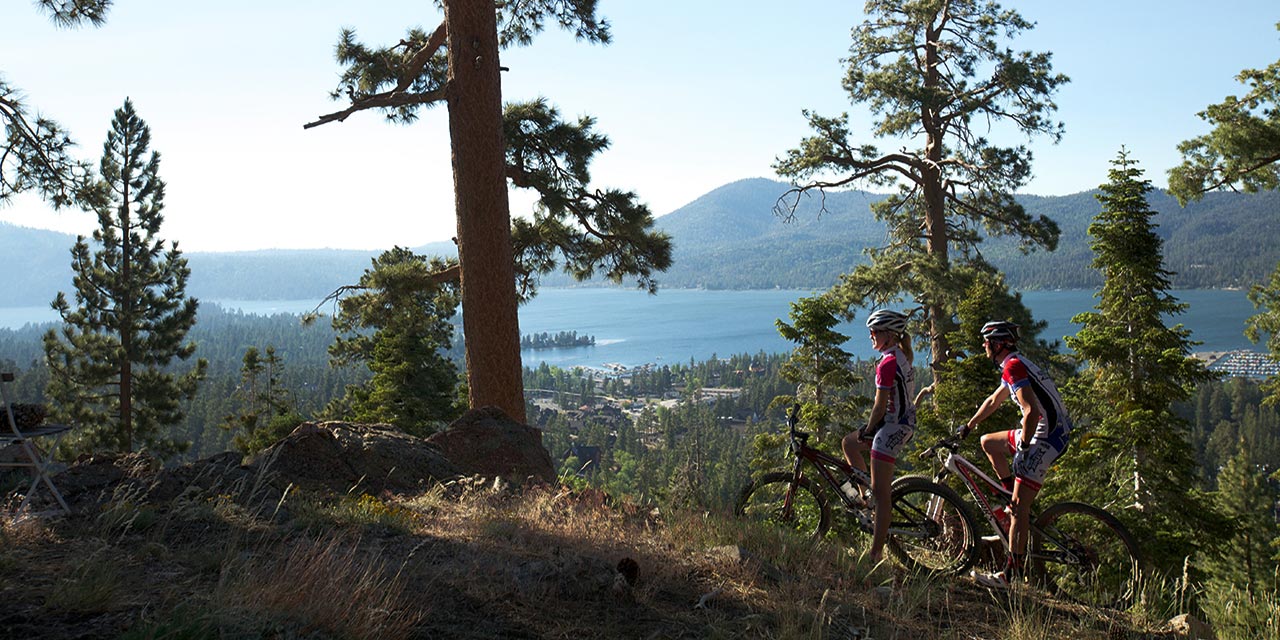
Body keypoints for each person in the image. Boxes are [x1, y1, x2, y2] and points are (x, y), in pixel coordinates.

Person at [959, 320, 1071, 588]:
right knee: (989, 443)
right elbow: (994, 401)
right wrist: (969, 426)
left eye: (986, 341)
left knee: (1021, 509)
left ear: (997, 344)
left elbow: (1030, 410)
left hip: (1047, 436)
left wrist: (1023, 449)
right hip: (1044, 429)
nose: (983, 346)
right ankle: (1011, 496)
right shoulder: (1013, 363)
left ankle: (1009, 575)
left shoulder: (1012, 366)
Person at [841, 309, 915, 562]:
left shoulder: (888, 363)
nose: (871, 335)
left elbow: (879, 406)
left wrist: (870, 429)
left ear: (890, 335)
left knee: (883, 493)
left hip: (894, 427)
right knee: (849, 443)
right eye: (870, 331)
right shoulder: (899, 355)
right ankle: (864, 499)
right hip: (896, 422)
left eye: (875, 332)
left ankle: (875, 553)